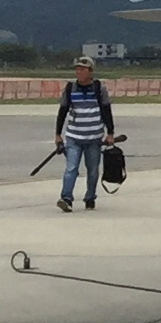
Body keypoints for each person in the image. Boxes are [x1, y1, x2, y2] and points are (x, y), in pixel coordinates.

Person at [54, 59, 117, 212]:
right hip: (74, 137)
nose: (79, 72)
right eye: (77, 69)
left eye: (83, 69)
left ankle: (90, 197)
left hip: (94, 138)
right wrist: (58, 134)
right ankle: (66, 198)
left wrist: (110, 133)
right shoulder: (70, 88)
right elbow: (63, 111)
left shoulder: (99, 88)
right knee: (71, 168)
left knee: (93, 170)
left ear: (90, 71)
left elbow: (106, 111)